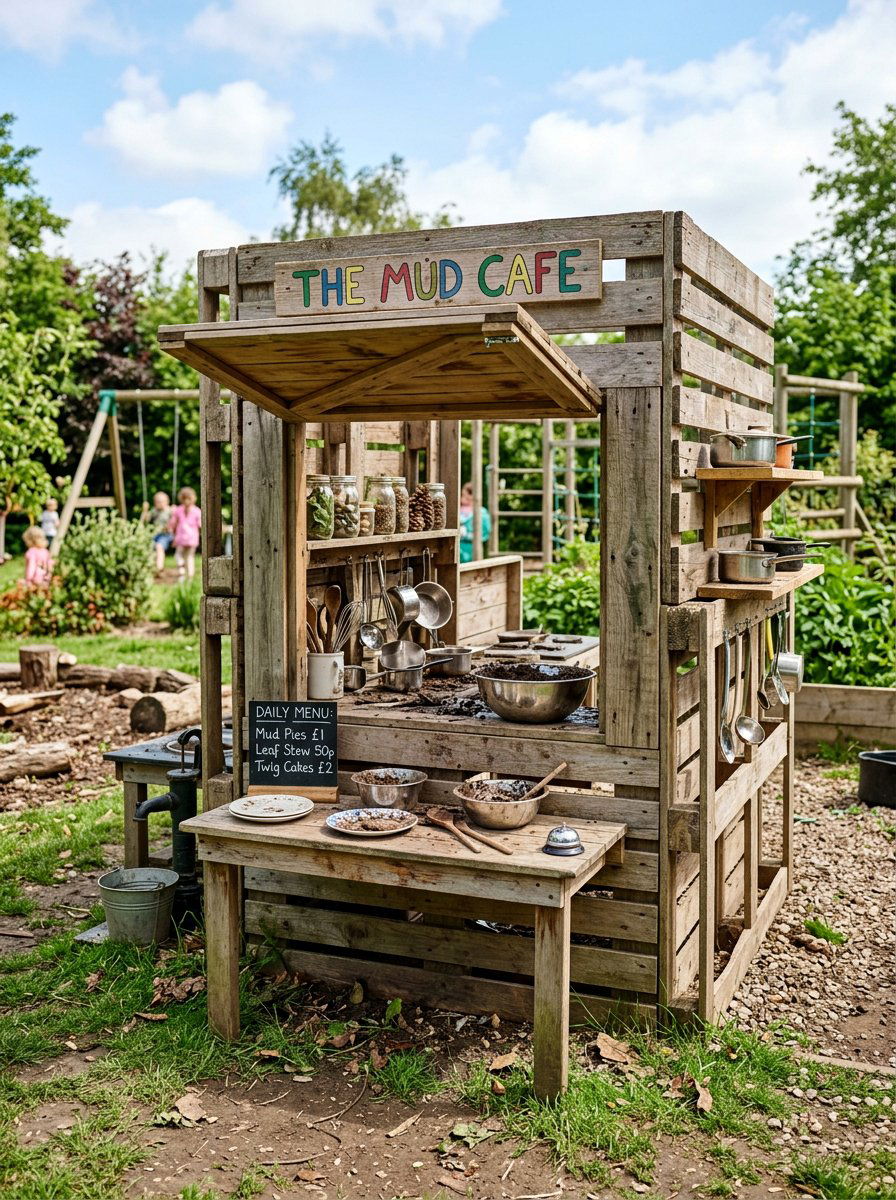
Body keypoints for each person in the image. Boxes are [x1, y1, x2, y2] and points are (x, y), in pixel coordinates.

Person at [169, 486, 202, 581]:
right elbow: (200, 525)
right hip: (192, 538)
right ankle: (190, 577)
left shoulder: (178, 510)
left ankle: (182, 572)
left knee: (178, 555)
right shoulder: (197, 511)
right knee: (190, 557)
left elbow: (173, 523)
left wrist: (171, 528)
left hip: (181, 538)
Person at [458, 480, 491, 564]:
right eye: (462, 495)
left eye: (464, 495)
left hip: (472, 550)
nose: (462, 498)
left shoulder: (481, 512)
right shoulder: (458, 510)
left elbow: (485, 533)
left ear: (472, 496)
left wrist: (467, 535)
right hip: (458, 549)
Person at [144, 491, 173, 573]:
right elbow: (146, 520)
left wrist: (175, 510)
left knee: (159, 547)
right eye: (157, 502)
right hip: (155, 534)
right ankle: (151, 566)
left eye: (161, 502)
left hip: (166, 535)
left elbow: (176, 519)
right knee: (149, 547)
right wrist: (145, 510)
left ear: (167, 502)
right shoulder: (154, 510)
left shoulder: (169, 510)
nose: (159, 504)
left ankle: (159, 567)